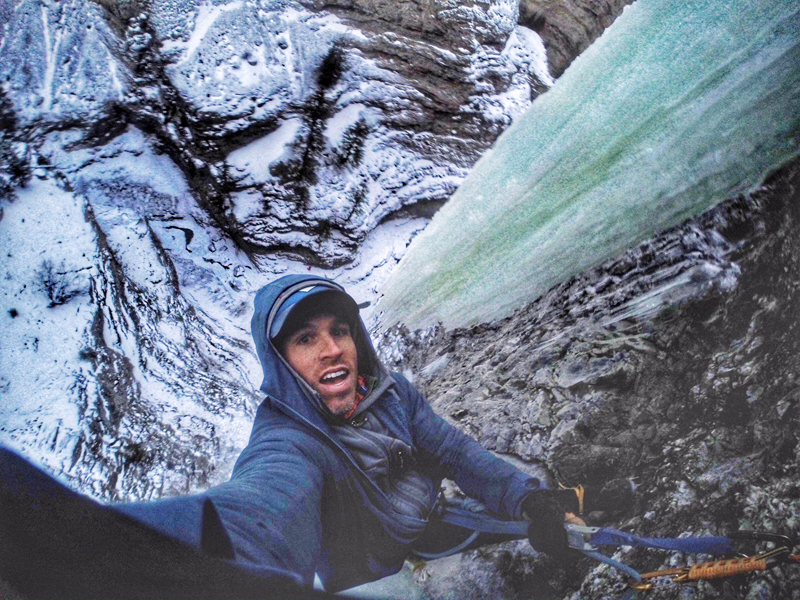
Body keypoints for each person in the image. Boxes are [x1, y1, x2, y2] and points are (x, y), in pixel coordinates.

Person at [175, 274, 589, 591]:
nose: (332, 348)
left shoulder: (390, 394)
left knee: (552, 513)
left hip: (431, 524)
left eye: (339, 331)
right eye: (305, 338)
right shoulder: (287, 442)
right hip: (373, 579)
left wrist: (528, 498)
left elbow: (452, 451)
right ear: (281, 363)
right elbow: (266, 503)